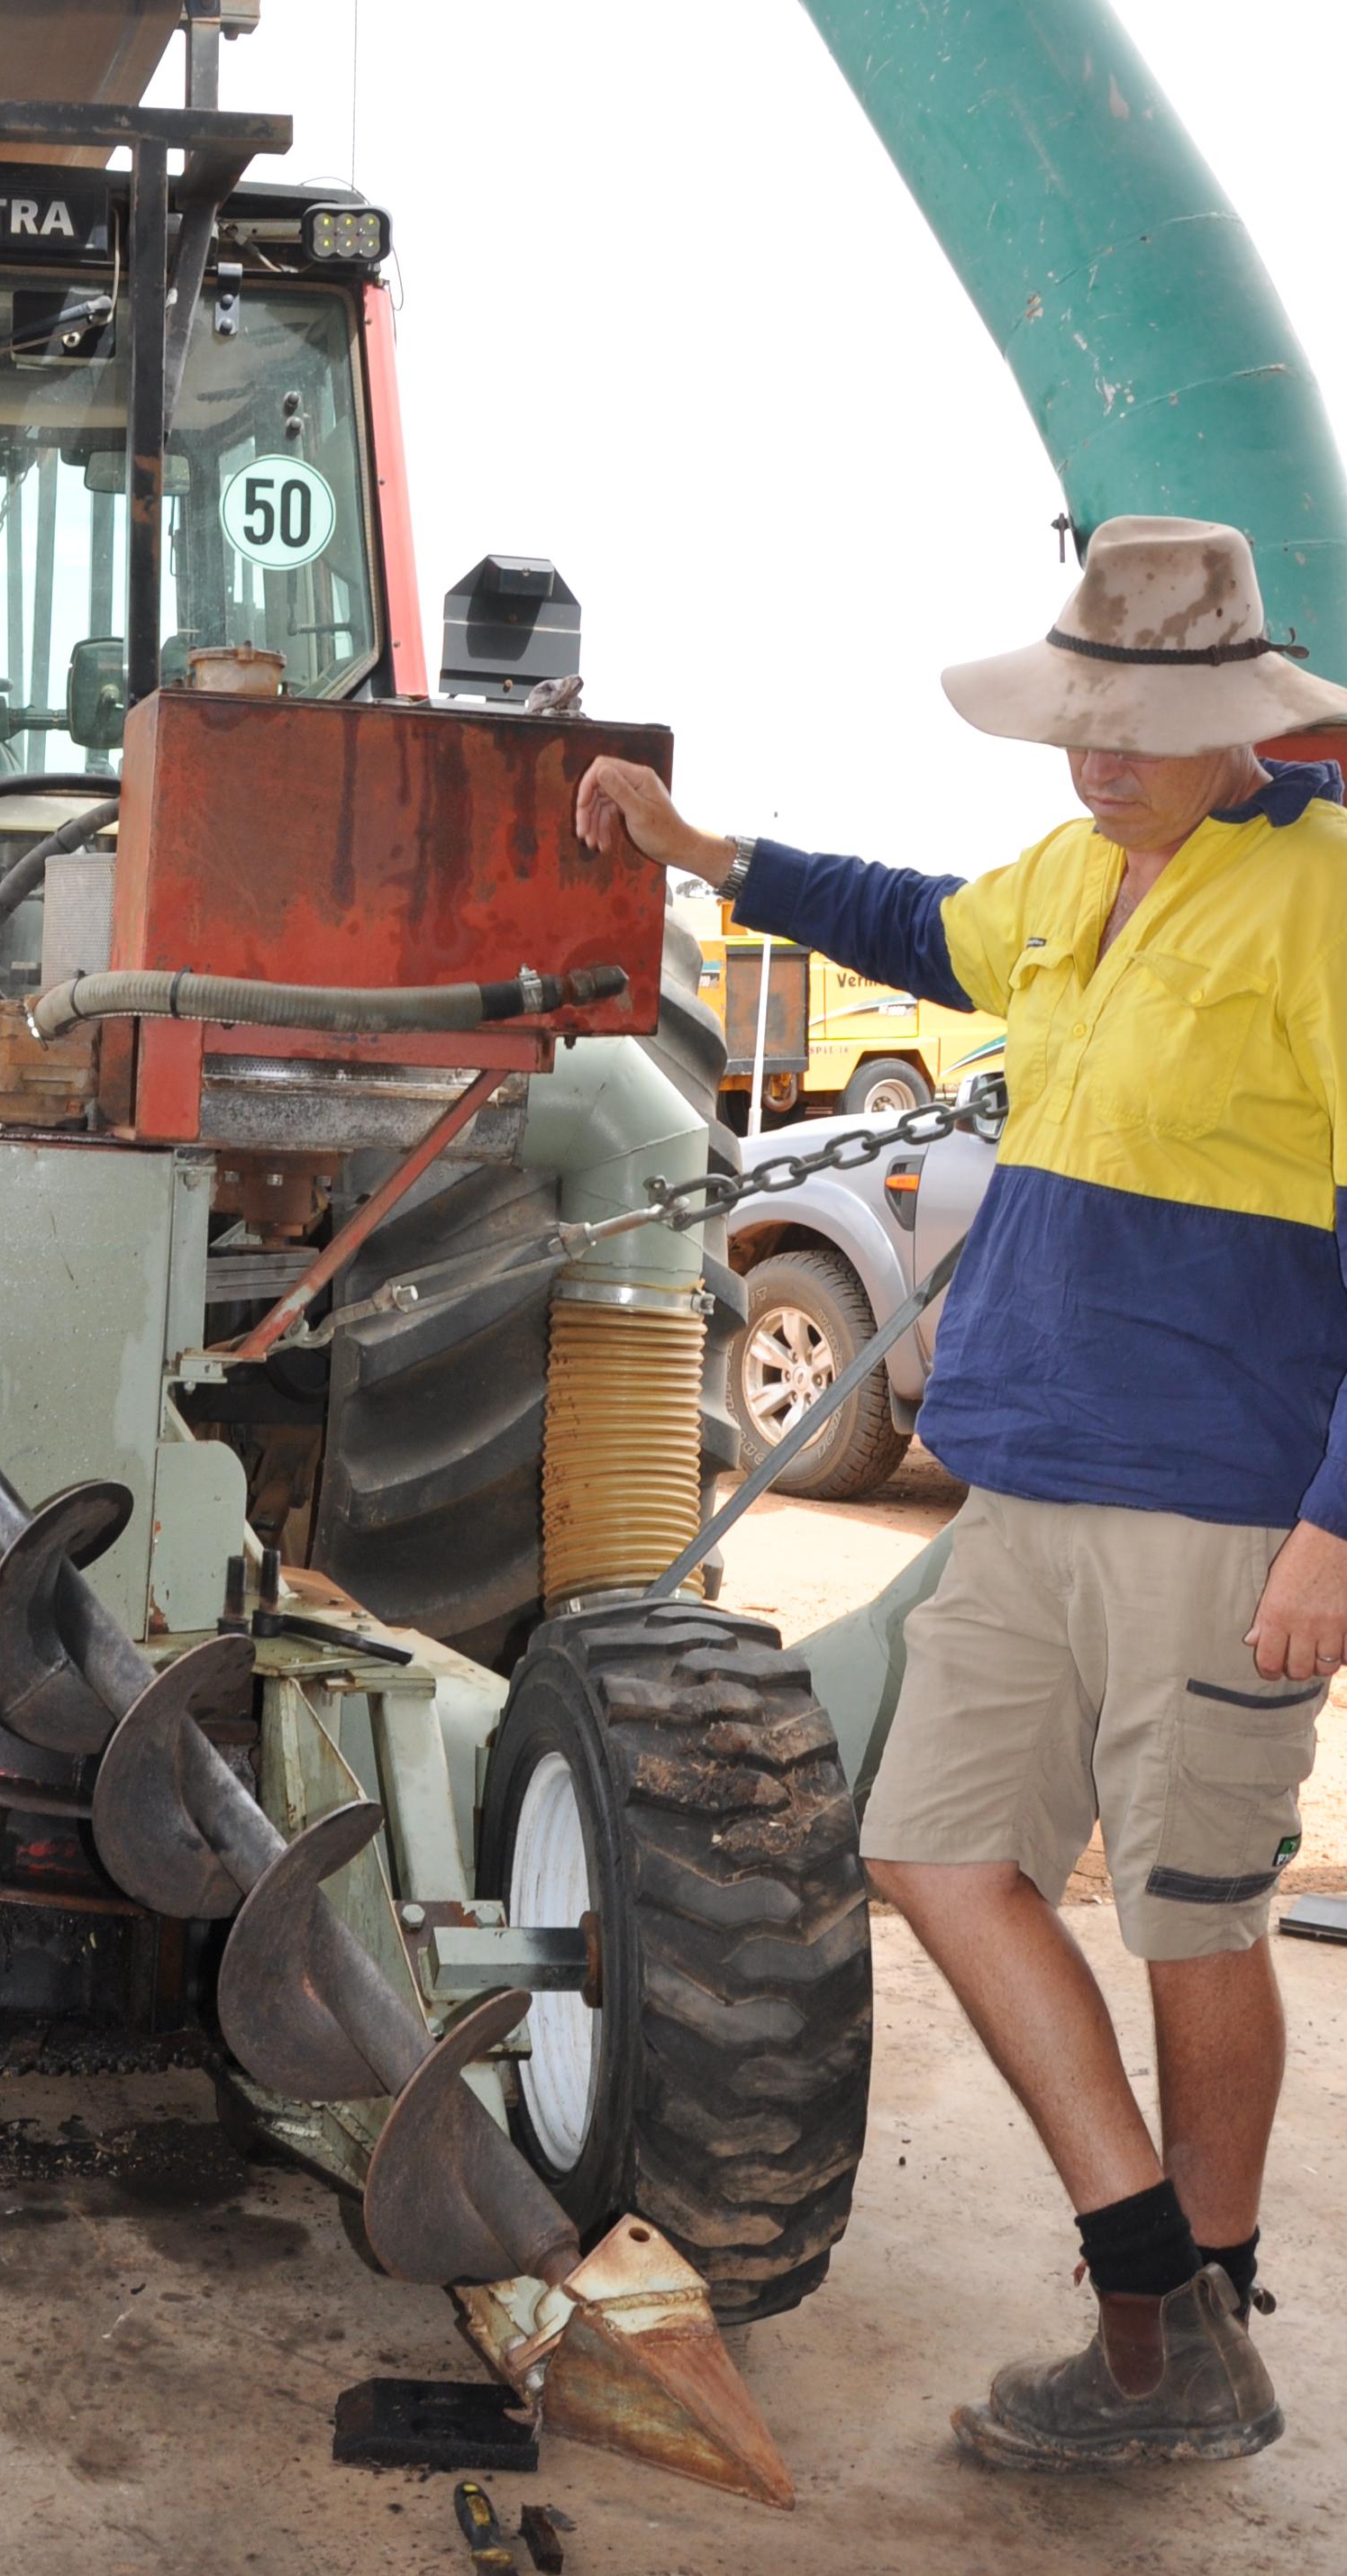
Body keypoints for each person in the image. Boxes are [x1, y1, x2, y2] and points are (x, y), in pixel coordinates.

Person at [578, 512, 1347, 2473]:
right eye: (1072, 712)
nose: (1087, 750)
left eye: (1129, 720)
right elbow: (920, 921)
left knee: (1189, 1917)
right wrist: (711, 857)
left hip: (1217, 1503)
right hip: (1019, 1472)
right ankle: (1148, 2274)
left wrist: (1331, 1529)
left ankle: (1191, 2325)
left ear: (1233, 722)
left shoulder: (1322, 901)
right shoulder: (1078, 868)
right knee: (926, 1851)